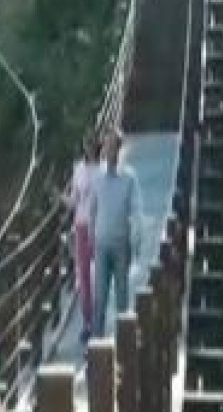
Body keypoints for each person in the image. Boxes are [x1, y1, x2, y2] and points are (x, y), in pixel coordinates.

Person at [91, 127, 143, 337]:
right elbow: (93, 208)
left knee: (122, 298)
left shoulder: (129, 178)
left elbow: (137, 211)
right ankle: (96, 342)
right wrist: (91, 238)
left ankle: (123, 343)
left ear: (119, 149)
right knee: (100, 297)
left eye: (113, 146)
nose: (109, 150)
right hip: (101, 244)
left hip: (122, 244)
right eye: (106, 146)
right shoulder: (97, 176)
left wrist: (137, 242)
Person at [66, 136, 103, 343]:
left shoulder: (105, 170)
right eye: (86, 145)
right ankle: (87, 322)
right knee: (84, 276)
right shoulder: (78, 169)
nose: (88, 148)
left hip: (100, 226)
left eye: (91, 145)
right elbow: (74, 201)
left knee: (99, 275)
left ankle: (98, 319)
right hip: (81, 225)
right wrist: (58, 197)